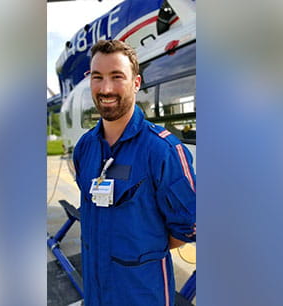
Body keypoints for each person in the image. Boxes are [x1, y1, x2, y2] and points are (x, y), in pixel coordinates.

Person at [73, 40, 196, 306]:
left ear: (136, 83)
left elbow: (190, 225)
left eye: (117, 77)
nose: (106, 89)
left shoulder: (162, 150)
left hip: (141, 294)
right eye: (98, 78)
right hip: (95, 293)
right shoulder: (84, 148)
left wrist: (142, 247)